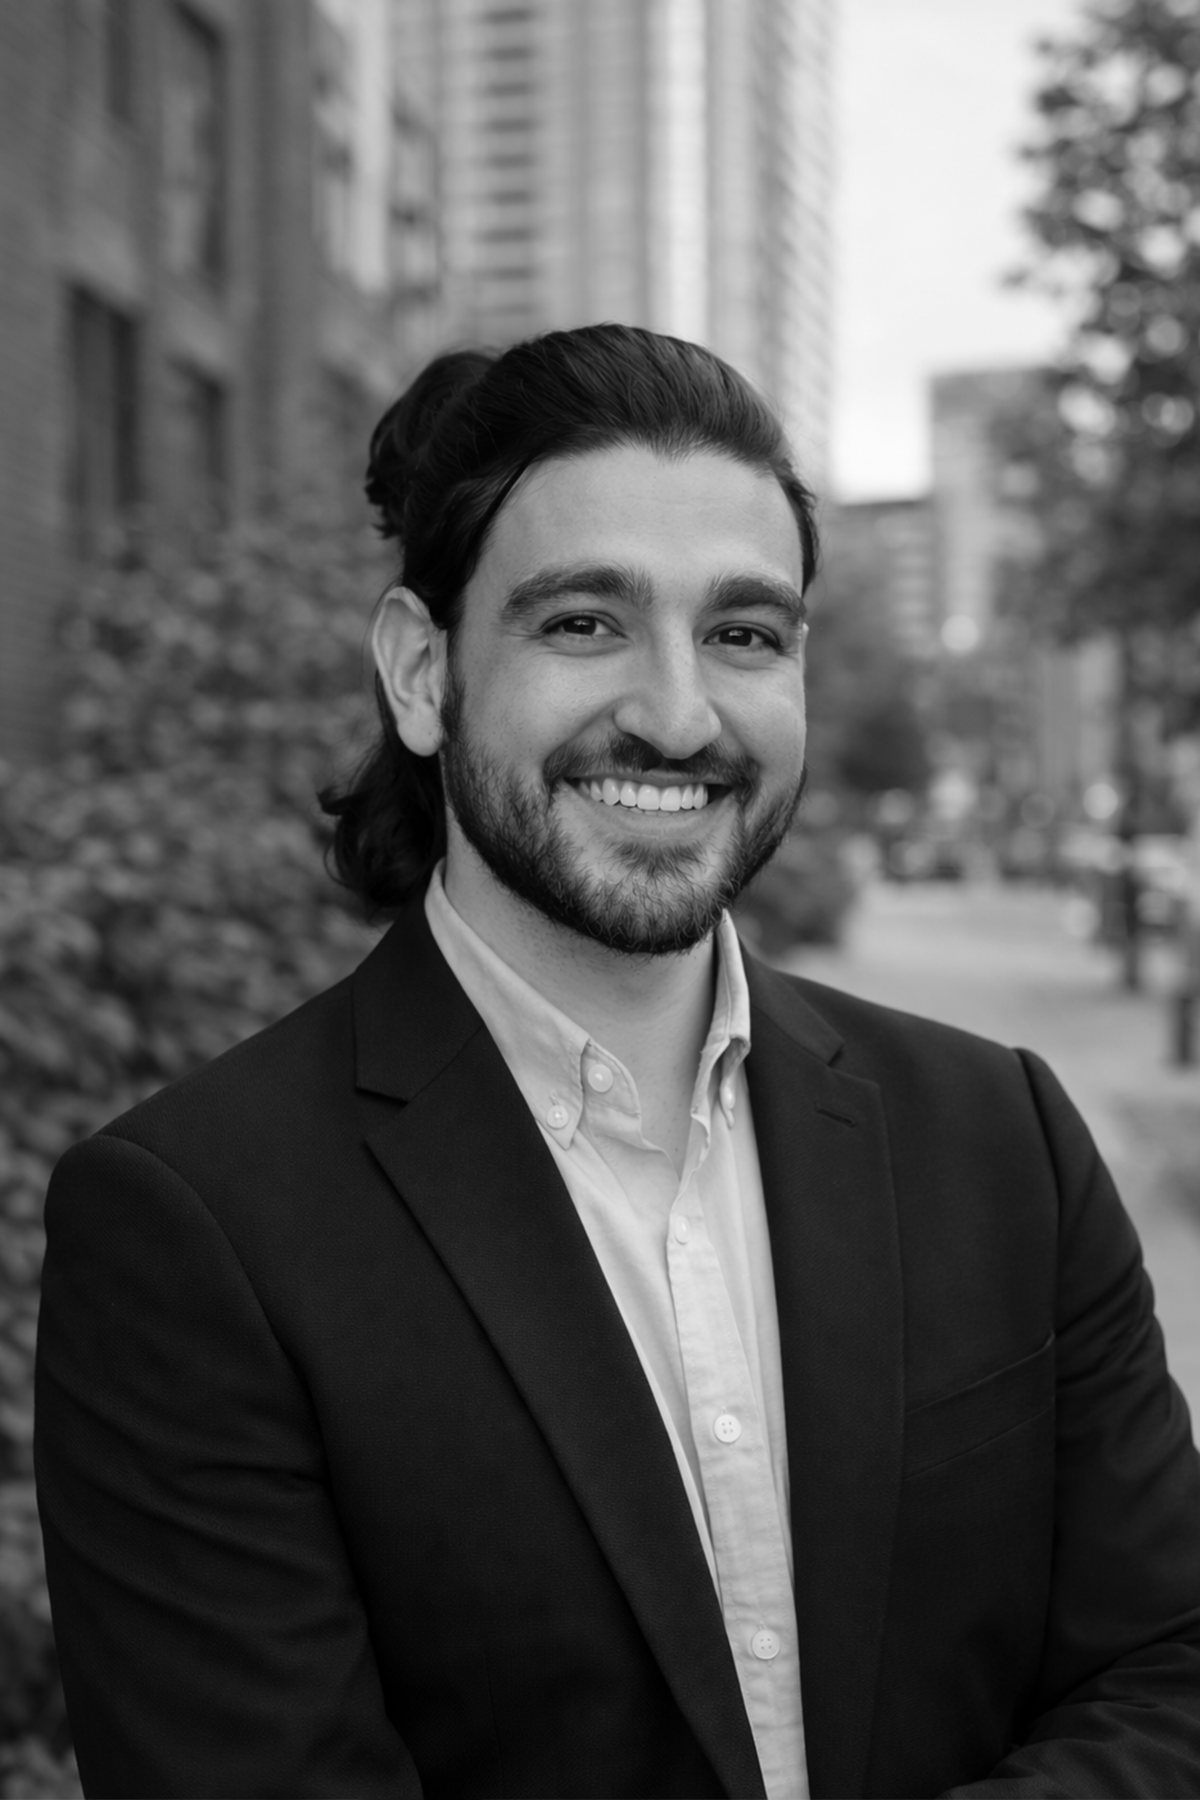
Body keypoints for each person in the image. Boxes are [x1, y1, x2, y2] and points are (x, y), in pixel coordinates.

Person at [35, 324, 1200, 1800]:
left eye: (744, 634)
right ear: (420, 672)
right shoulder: (193, 1226)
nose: (677, 714)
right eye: (585, 623)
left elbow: (1167, 1666)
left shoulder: (1003, 1138)